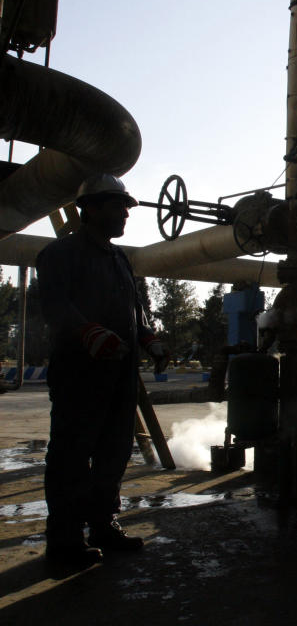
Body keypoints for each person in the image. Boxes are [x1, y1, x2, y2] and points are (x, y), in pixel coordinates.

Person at [36, 174, 168, 569]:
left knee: (113, 453)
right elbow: (56, 306)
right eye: (118, 206)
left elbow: (135, 310)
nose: (126, 214)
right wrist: (89, 332)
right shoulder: (60, 254)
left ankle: (102, 525)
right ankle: (64, 541)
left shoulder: (118, 258)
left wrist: (148, 338)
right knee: (72, 457)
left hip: (120, 375)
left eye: (127, 207)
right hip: (81, 373)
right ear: (90, 208)